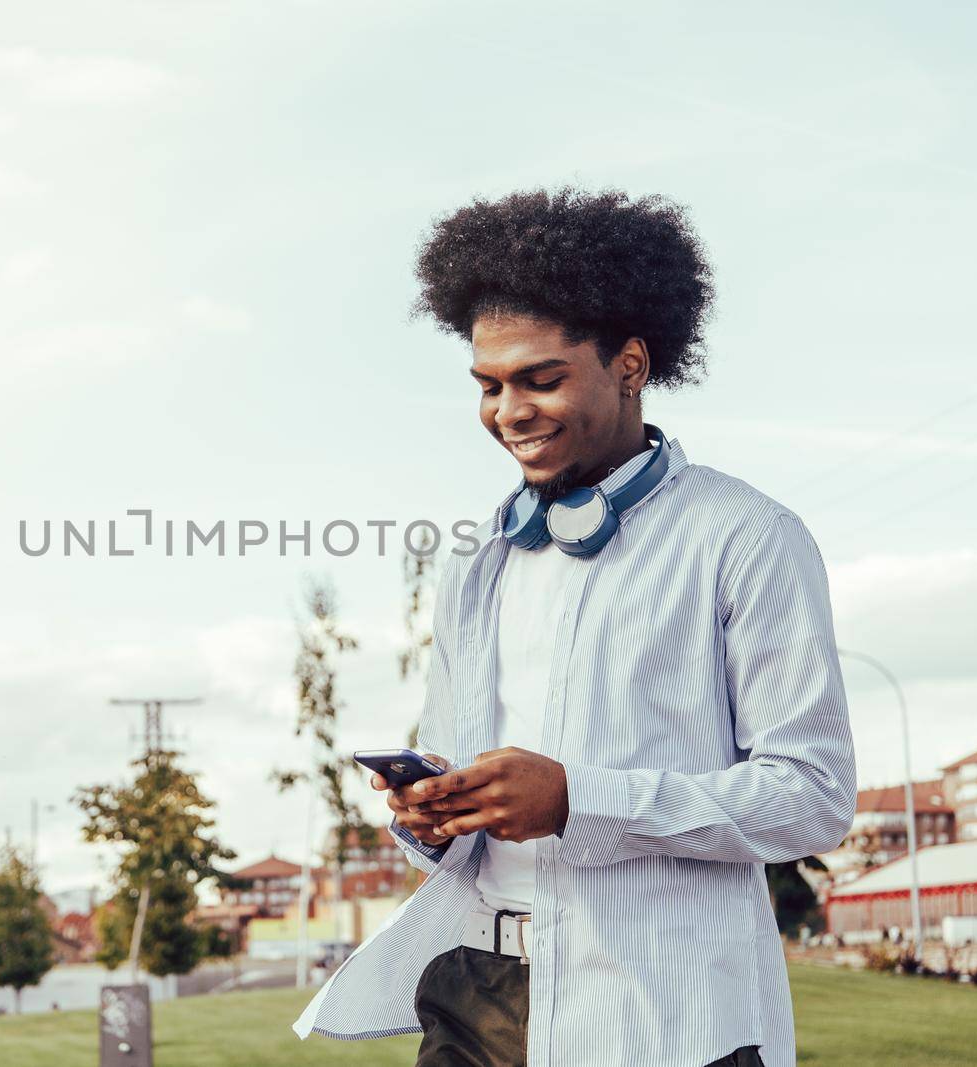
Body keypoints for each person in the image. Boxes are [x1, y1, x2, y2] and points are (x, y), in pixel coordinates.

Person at [292, 188, 856, 1067]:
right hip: (474, 995)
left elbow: (812, 796)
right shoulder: (478, 564)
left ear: (630, 364)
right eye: (488, 385)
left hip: (664, 1010)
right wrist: (431, 812)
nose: (509, 411)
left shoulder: (746, 536)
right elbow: (456, 775)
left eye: (541, 378)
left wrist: (575, 800)